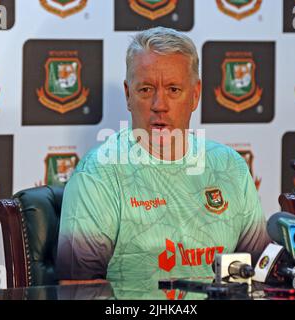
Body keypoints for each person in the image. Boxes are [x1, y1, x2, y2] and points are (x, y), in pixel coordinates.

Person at [56, 27, 270, 283]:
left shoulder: (230, 167)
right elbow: (79, 289)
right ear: (128, 94)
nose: (159, 105)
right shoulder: (99, 172)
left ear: (195, 95)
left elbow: (260, 275)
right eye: (146, 90)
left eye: (173, 90)